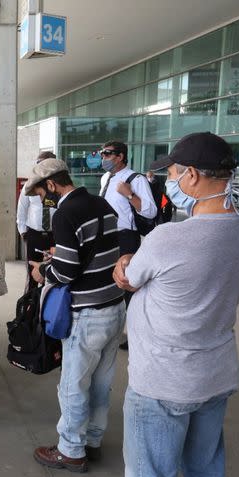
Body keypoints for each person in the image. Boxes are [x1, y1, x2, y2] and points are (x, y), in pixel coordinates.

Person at [113, 132, 239, 477]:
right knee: (206, 471)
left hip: (163, 380)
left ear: (192, 175)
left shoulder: (168, 238)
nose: (170, 181)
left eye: (174, 173)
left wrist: (123, 263)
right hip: (215, 373)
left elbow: (131, 277)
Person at [25, 158, 125, 473]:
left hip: (87, 314)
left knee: (73, 385)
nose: (43, 199)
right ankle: (92, 441)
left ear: (51, 184)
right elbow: (97, 249)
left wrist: (43, 271)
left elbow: (66, 272)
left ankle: (70, 450)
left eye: (41, 193)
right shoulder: (102, 203)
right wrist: (63, 255)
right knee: (100, 382)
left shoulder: (65, 214)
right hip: (115, 306)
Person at [99, 141, 157, 350]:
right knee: (109, 284)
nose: (103, 157)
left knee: (128, 287)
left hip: (126, 238)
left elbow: (150, 212)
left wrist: (129, 194)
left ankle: (136, 336)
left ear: (121, 156)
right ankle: (111, 331)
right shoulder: (106, 177)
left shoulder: (136, 179)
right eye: (102, 153)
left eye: (107, 154)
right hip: (107, 237)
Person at [17, 151, 57, 291]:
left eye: (43, 163)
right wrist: (23, 232)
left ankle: (47, 304)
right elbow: (21, 211)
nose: (39, 166)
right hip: (34, 235)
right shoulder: (30, 185)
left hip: (55, 236)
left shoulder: (59, 187)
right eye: (38, 163)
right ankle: (30, 306)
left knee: (53, 274)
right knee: (32, 273)